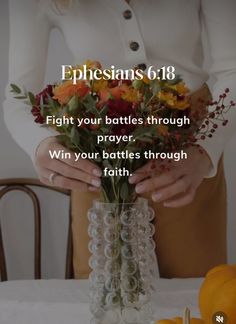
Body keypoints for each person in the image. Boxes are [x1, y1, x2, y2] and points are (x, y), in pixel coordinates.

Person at [3, 0, 236, 278]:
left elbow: (232, 70)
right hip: (97, 152)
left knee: (202, 295)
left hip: (187, 148)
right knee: (106, 295)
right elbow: (18, 98)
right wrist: (40, 145)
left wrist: (204, 151)